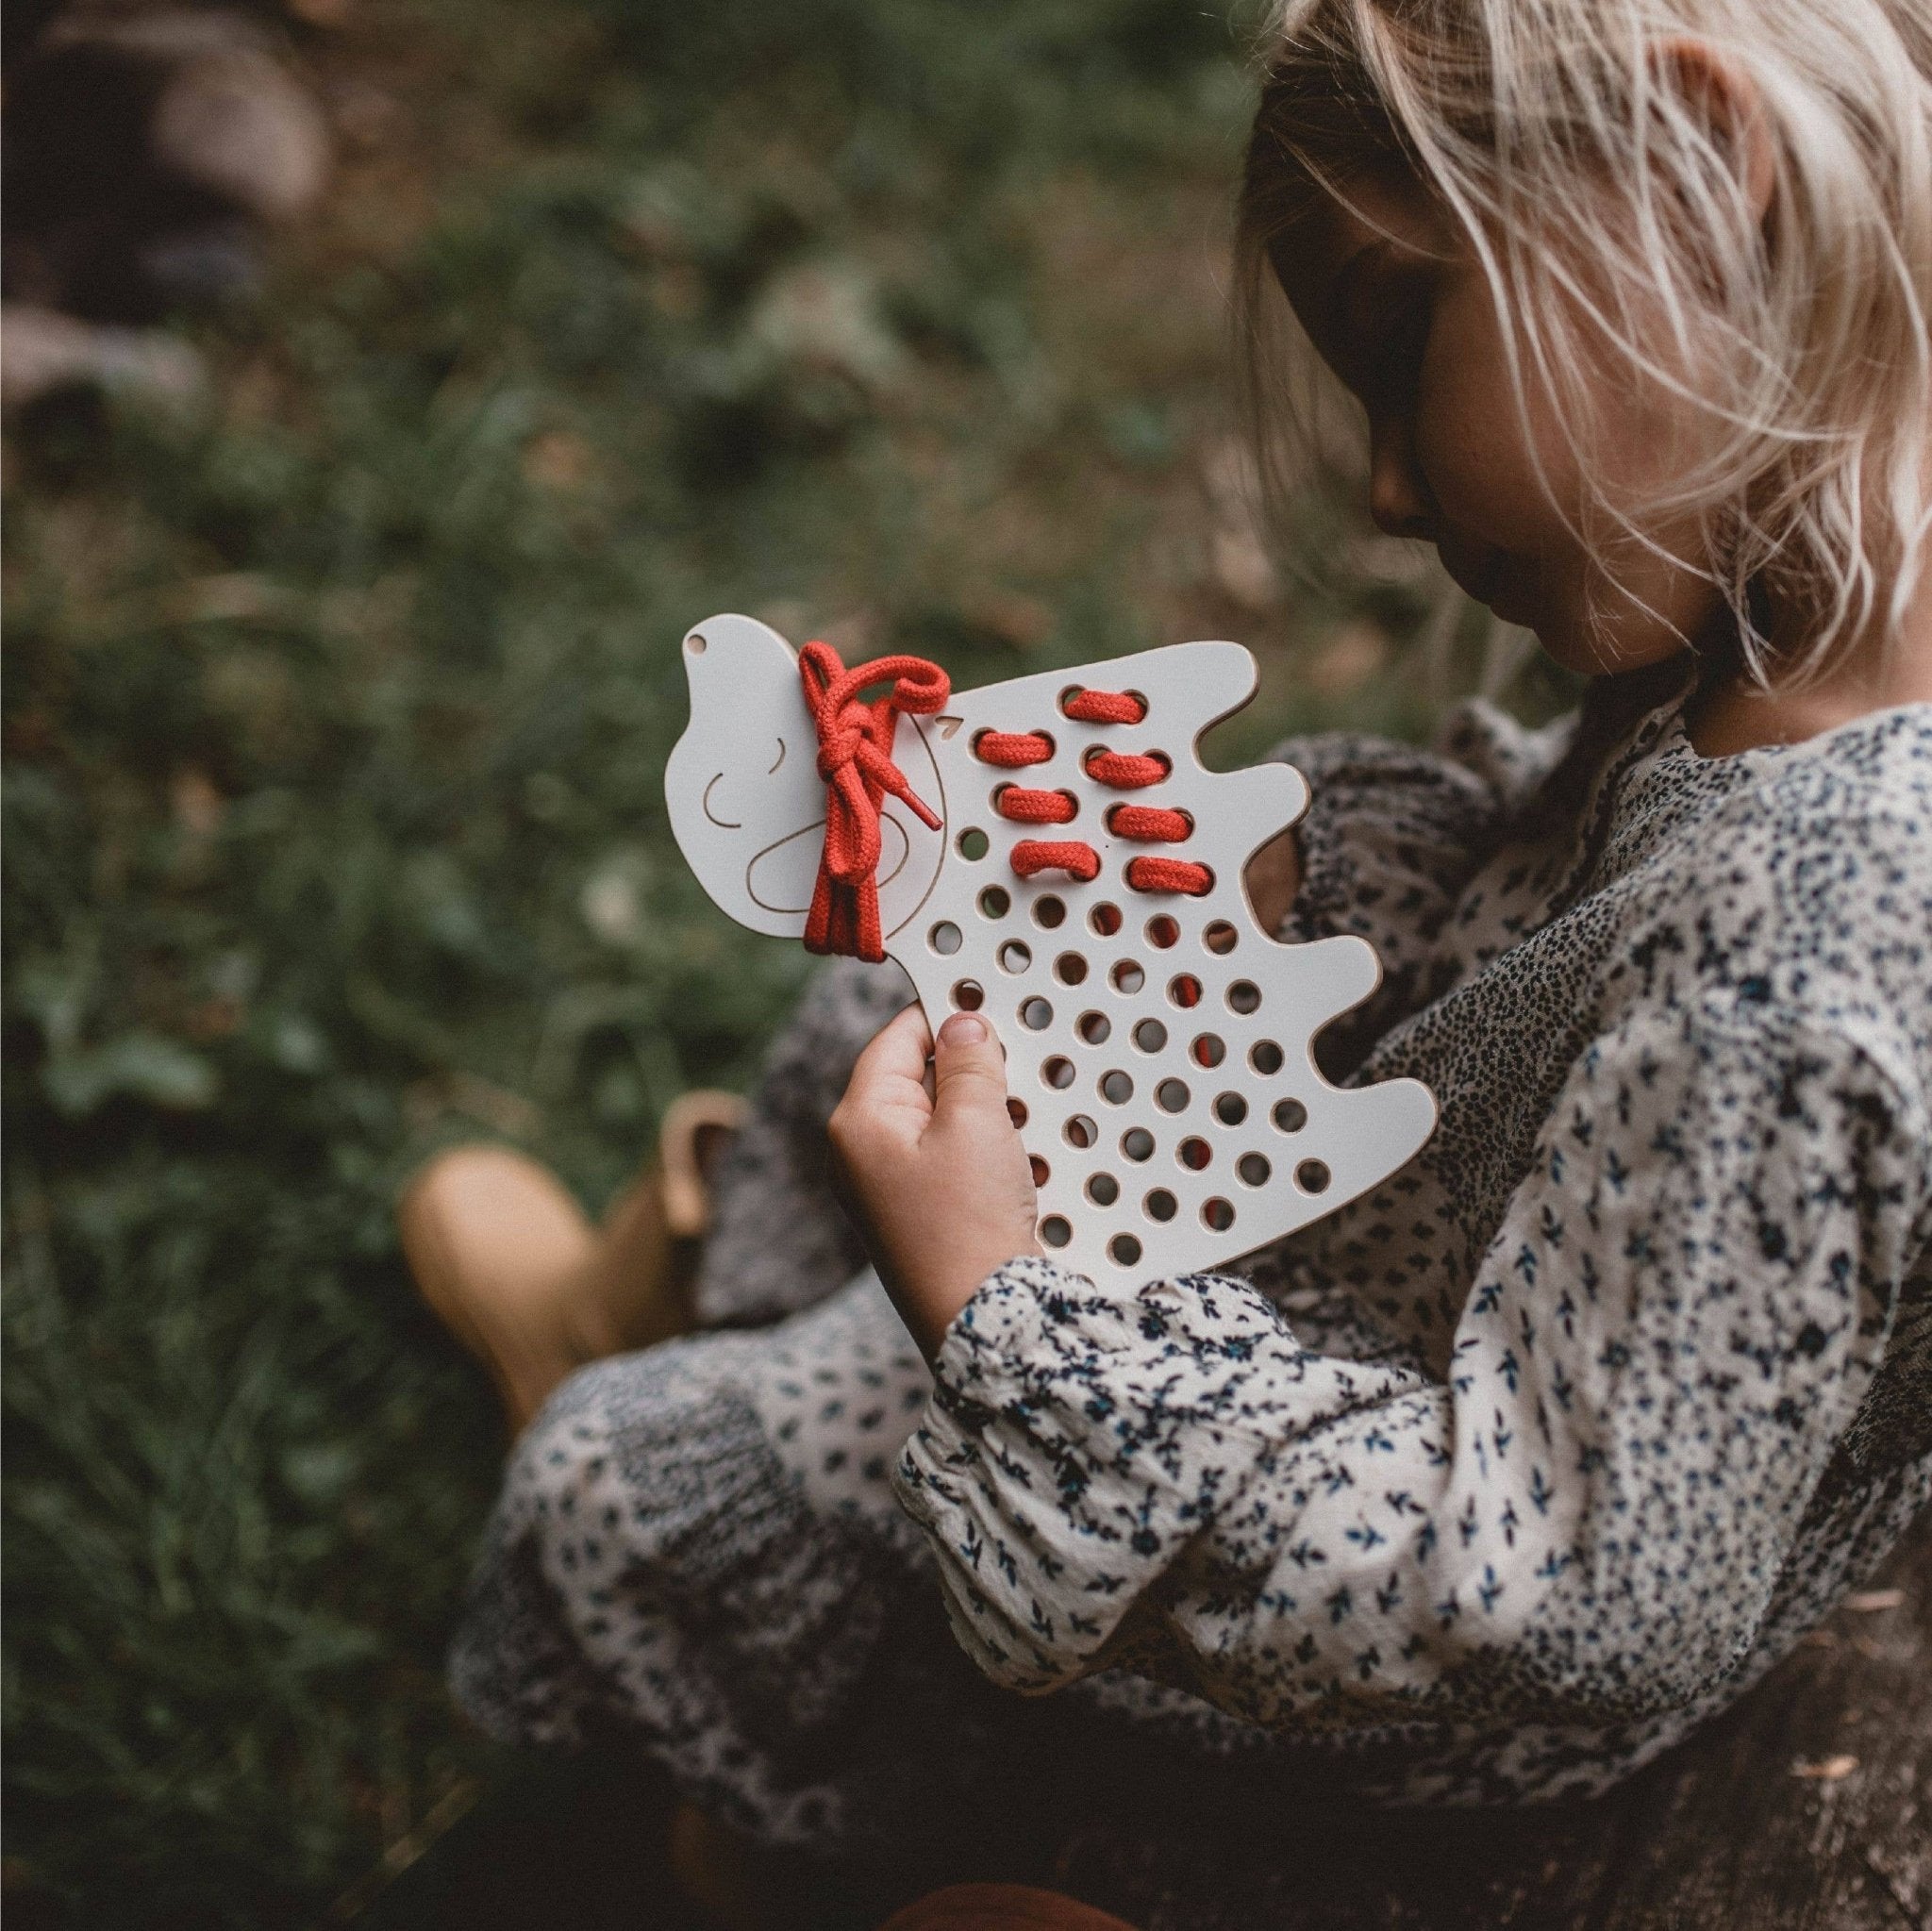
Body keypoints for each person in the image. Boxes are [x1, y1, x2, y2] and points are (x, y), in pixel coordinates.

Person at [403, 1, 1932, 1923]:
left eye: (1396, 346)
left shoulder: (1818, 948)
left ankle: (781, 1813)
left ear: (1702, 178)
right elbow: (1588, 925)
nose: (1386, 489)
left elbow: (1529, 1601)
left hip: (1372, 1569)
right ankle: (701, 1288)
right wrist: (1353, 865)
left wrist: (1007, 1323)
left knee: (639, 1477)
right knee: (932, 1002)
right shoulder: (1813, 602)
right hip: (1418, 1268)